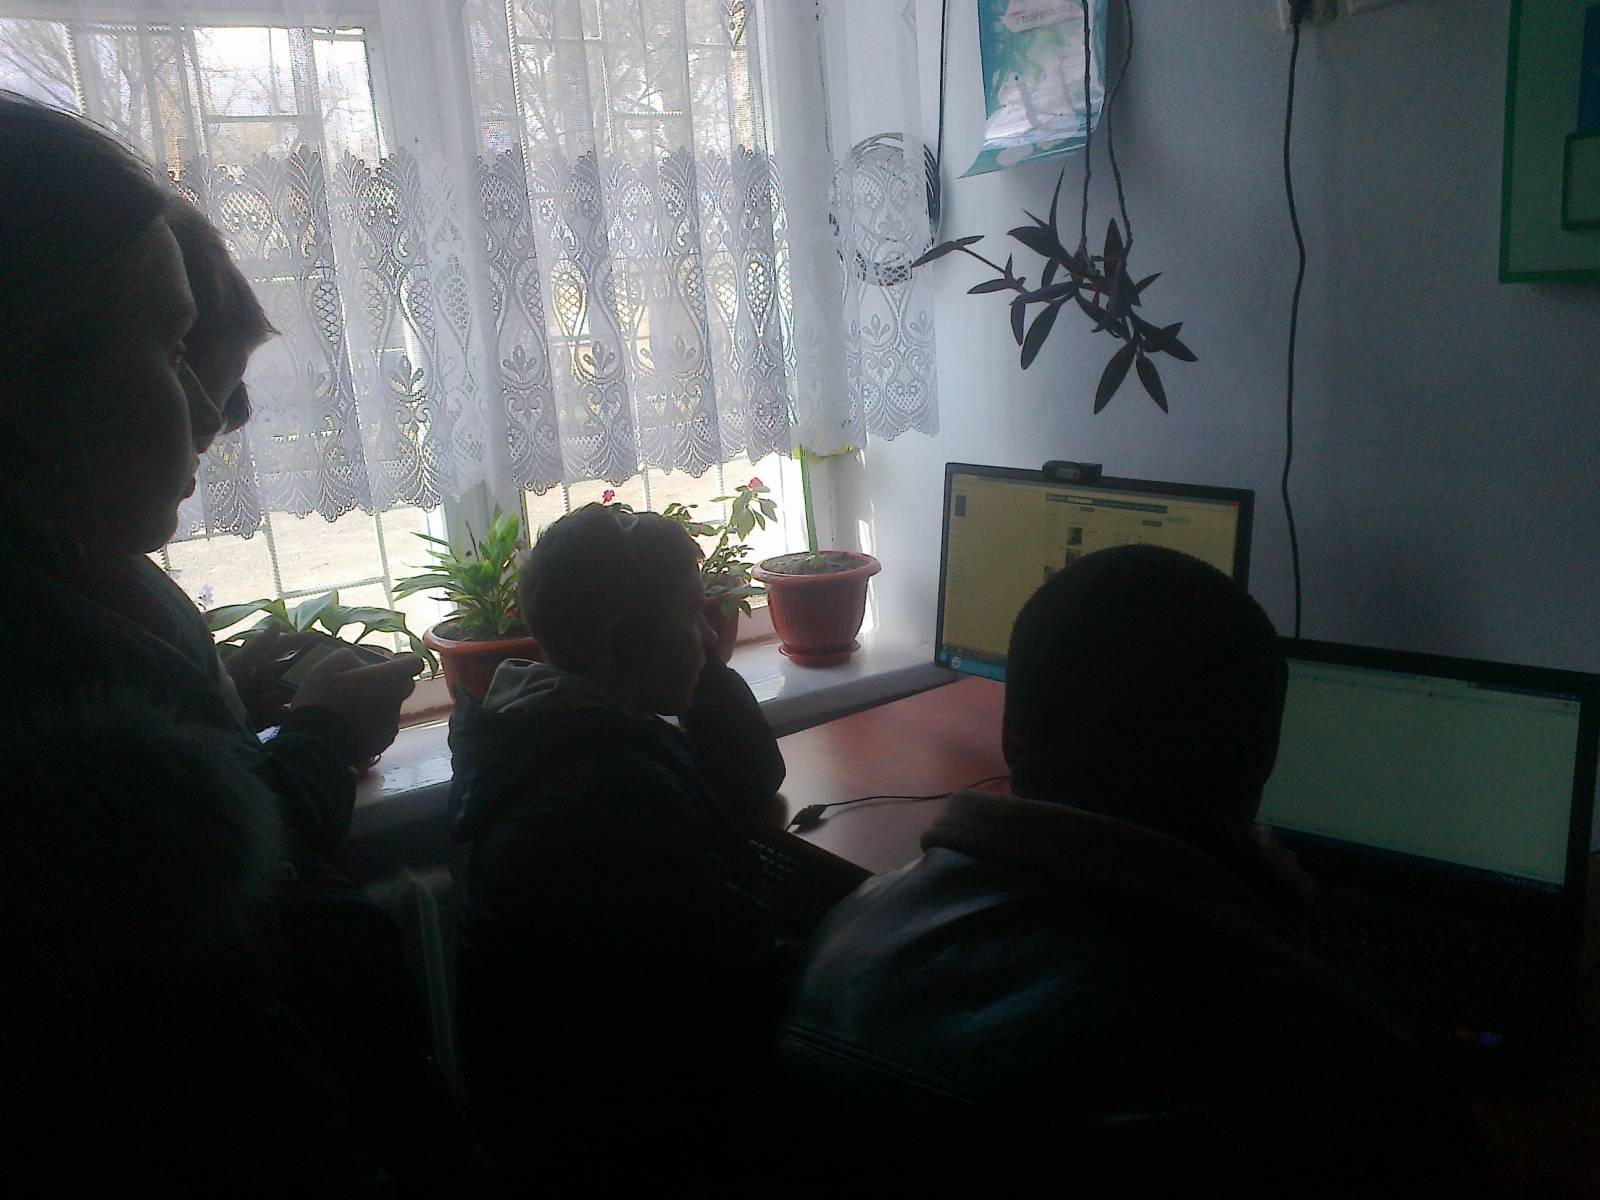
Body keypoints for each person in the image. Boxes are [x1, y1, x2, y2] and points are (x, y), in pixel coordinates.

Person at [0, 94, 478, 1191]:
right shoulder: (57, 777)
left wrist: (238, 713)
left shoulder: (88, 595)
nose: (214, 414)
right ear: (27, 387)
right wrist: (317, 736)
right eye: (174, 346)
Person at [772, 545, 1487, 1194]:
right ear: (1259, 769)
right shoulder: (1360, 1089)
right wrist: (1271, 932)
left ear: (1011, 734)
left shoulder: (844, 936)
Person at [449, 502, 788, 1189]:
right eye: (693, 614)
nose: (711, 633)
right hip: (634, 1145)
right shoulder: (610, 794)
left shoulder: (542, 725)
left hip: (567, 1123)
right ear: (626, 641)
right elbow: (754, 981)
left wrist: (690, 657)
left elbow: (753, 778)